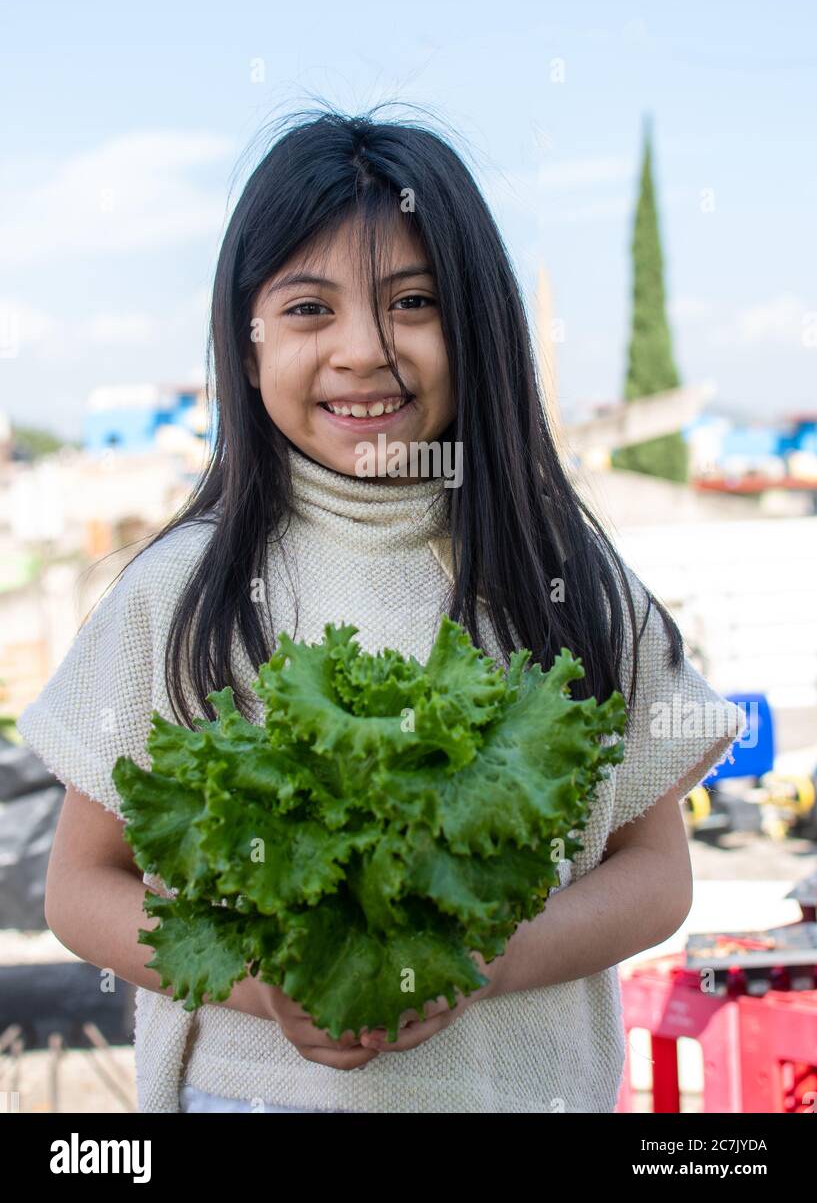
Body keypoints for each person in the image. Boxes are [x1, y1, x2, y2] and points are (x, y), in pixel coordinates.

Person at [17, 104, 746, 1113]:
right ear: (246, 338)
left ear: (480, 323)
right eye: (310, 309)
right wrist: (268, 986)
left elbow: (656, 876)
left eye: (413, 302)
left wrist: (477, 961)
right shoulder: (183, 589)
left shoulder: (560, 570)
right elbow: (81, 890)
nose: (363, 350)